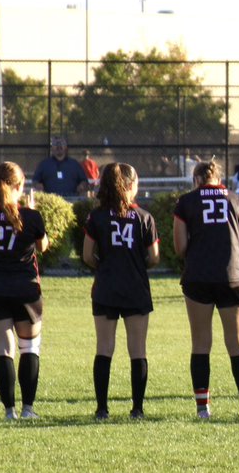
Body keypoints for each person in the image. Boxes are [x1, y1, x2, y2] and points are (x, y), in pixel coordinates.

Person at [174, 159, 239, 419]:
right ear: (218, 178)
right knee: (238, 343)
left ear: (196, 180)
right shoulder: (236, 199)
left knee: (201, 343)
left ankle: (203, 409)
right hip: (231, 276)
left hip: (198, 276)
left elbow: (179, 248)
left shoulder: (186, 202)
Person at [82, 163, 160, 420]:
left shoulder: (97, 216)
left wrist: (105, 265)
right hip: (135, 287)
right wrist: (135, 263)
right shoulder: (144, 217)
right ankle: (137, 409)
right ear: (130, 185)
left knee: (104, 347)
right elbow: (153, 257)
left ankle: (102, 409)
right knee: (137, 349)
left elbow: (87, 255)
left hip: (106, 287)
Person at [0, 162, 50, 420]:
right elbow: (43, 247)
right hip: (25, 288)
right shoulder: (30, 216)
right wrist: (31, 212)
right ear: (19, 187)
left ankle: (9, 411)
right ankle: (28, 409)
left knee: (3, 350)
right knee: (29, 348)